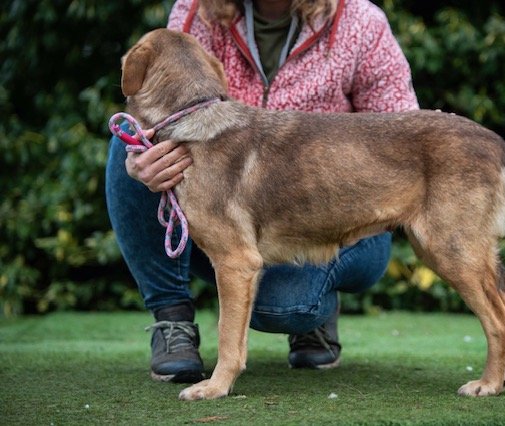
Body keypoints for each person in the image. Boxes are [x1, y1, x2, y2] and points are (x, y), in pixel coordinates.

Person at [106, 0, 418, 384]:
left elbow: (405, 134)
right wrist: (140, 163)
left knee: (287, 307)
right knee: (127, 144)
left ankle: (316, 310)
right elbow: (154, 102)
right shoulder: (198, 12)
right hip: (235, 217)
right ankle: (173, 323)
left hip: (352, 214)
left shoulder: (360, 20)